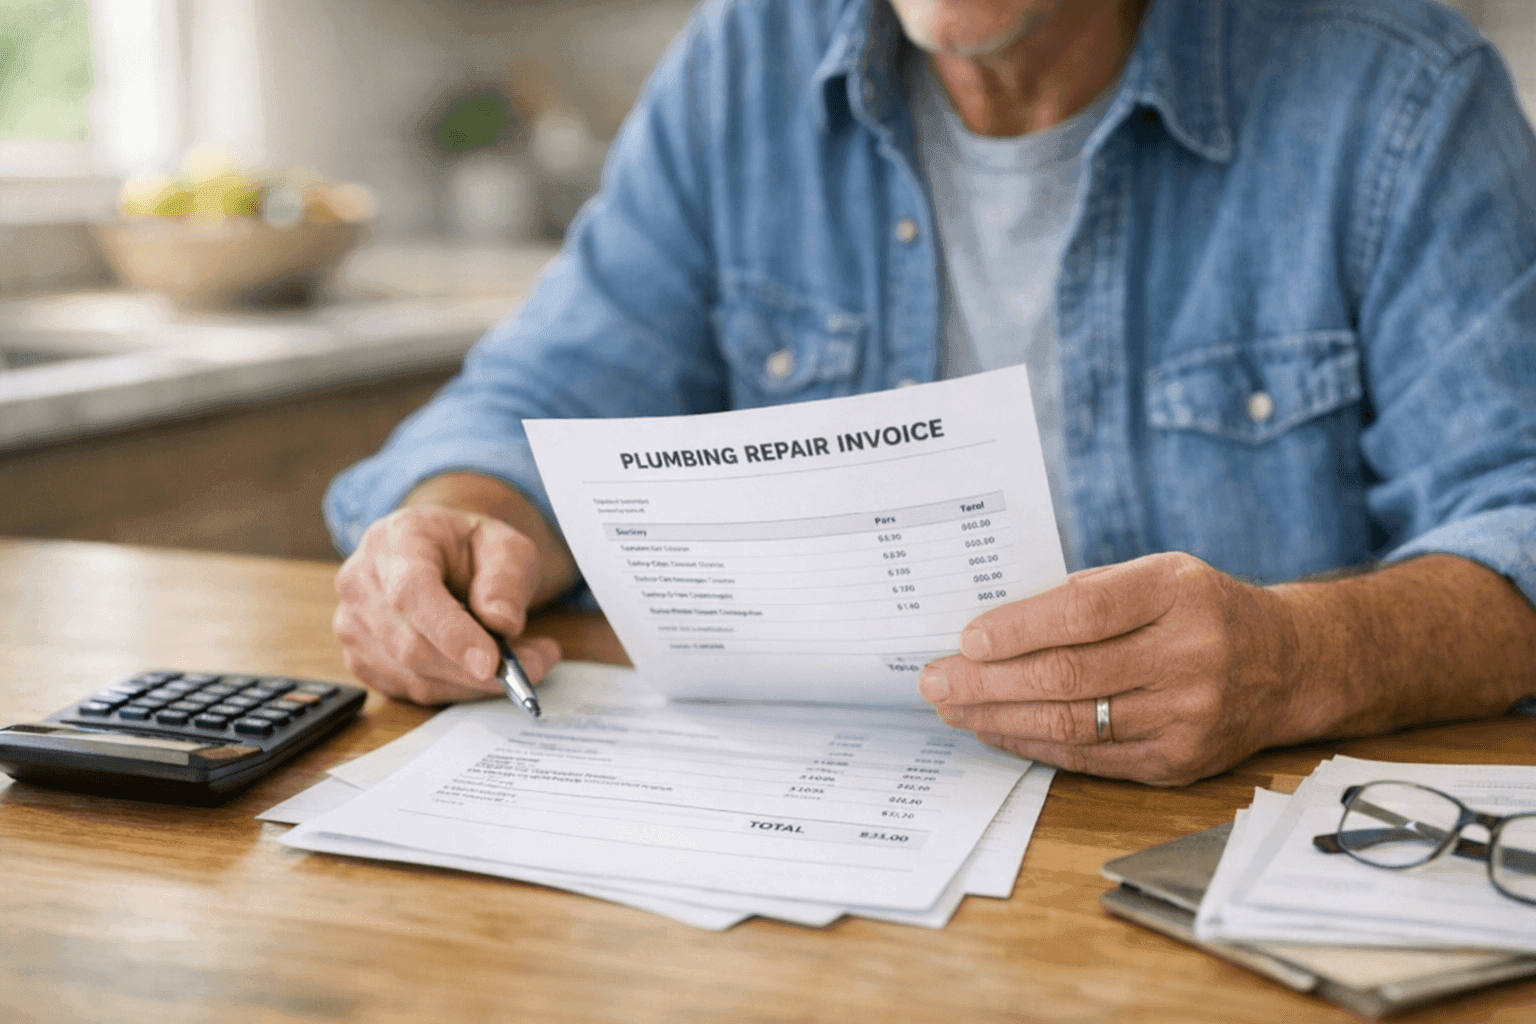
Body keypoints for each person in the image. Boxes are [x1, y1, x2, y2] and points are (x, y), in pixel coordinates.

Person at [325, 0, 1536, 785]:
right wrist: (459, 520)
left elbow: (1519, 518)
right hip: (822, 845)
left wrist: (1300, 656)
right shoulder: (741, 65)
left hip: (1216, 864)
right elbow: (543, 391)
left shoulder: (1402, 92)